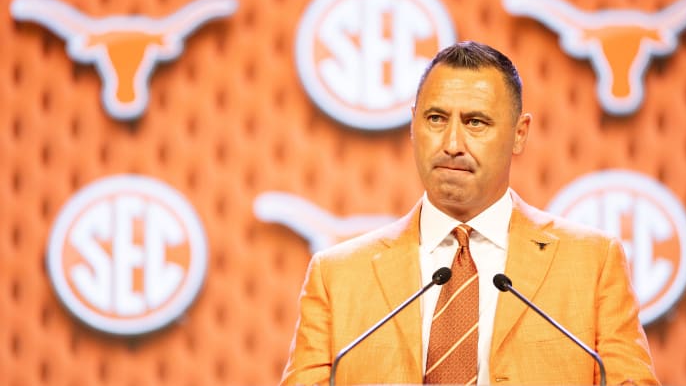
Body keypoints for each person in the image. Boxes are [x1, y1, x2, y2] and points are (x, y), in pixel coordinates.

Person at [280, 41, 659, 385]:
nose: (452, 144)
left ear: (519, 133)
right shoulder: (337, 276)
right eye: (435, 119)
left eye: (475, 122)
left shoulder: (592, 264)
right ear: (413, 124)